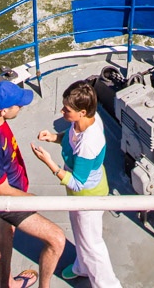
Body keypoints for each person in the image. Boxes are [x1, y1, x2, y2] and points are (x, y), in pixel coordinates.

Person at [0, 79, 66, 288]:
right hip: (8, 198)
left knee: (5, 231)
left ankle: (7, 285)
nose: (21, 107)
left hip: (9, 187)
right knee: (56, 239)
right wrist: (34, 201)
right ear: (3, 111)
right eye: (18, 105)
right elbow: (2, 190)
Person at [31, 80, 123, 288]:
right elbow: (70, 139)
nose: (62, 111)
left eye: (67, 109)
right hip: (79, 196)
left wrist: (50, 163)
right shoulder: (86, 120)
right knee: (81, 233)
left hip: (87, 196)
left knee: (93, 246)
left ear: (82, 112)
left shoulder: (89, 144)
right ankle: (82, 266)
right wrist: (54, 137)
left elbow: (78, 183)